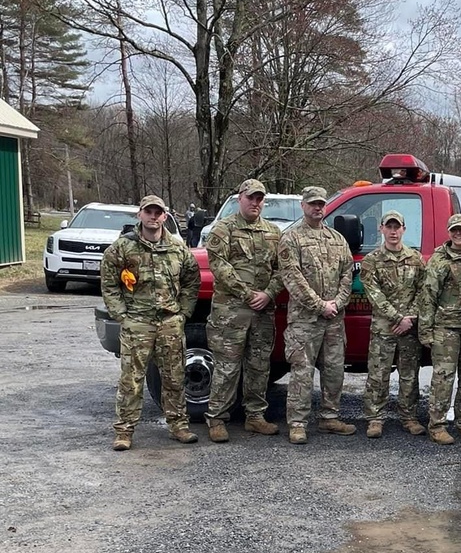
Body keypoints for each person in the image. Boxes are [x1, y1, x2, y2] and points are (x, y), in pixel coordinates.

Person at [100, 193, 201, 450]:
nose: (153, 217)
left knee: (174, 377)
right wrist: (122, 315)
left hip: (170, 323)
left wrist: (184, 313)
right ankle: (124, 431)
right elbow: (109, 283)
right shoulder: (123, 248)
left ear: (164, 216)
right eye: (149, 212)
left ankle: (178, 425)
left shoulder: (178, 249)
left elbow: (192, 281)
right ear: (140, 215)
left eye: (158, 213)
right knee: (131, 380)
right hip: (138, 323)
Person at [204, 178, 283, 442]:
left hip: (262, 312)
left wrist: (269, 293)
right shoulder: (222, 230)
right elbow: (220, 266)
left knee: (259, 366)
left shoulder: (273, 233)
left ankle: (255, 416)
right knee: (227, 367)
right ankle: (216, 418)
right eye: (251, 197)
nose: (255, 203)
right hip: (231, 313)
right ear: (240, 198)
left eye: (260, 198)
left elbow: (282, 269)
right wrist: (248, 294)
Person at [277, 185, 357, 444]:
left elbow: (348, 273)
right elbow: (293, 278)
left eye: (321, 203)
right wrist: (320, 305)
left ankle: (329, 417)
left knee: (334, 370)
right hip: (305, 320)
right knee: (302, 371)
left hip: (334, 318)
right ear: (303, 205)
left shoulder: (337, 239)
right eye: (312, 203)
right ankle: (298, 423)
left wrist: (338, 301)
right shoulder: (291, 239)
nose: (317, 207)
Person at [419, 214, 461, 445]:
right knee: (443, 378)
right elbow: (428, 296)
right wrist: (426, 330)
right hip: (447, 328)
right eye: (454, 231)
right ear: (449, 233)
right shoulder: (440, 259)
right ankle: (437, 424)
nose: (459, 234)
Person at [359, 210, 426, 438]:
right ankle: (375, 418)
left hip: (409, 329)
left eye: (397, 227)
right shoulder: (371, 261)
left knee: (409, 375)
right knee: (378, 374)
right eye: (389, 226)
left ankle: (409, 417)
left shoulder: (416, 259)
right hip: (384, 328)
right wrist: (398, 318)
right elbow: (374, 295)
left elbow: (423, 291)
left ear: (404, 230)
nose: (393, 231)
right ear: (382, 229)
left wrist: (410, 318)